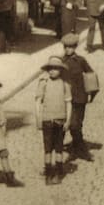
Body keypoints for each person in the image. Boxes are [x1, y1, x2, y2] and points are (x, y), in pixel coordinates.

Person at [34, 56, 72, 184]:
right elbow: (38, 101)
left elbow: (68, 103)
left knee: (59, 147)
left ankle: (59, 172)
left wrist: (68, 120)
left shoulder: (65, 84)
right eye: (50, 68)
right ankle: (49, 173)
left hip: (60, 119)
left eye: (56, 69)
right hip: (47, 119)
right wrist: (38, 118)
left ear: (61, 70)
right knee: (48, 147)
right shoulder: (43, 83)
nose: (52, 71)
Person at [61, 33, 95, 161]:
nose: (68, 49)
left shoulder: (81, 61)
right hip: (64, 99)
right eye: (66, 47)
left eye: (70, 47)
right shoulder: (60, 61)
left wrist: (92, 92)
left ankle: (81, 150)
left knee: (76, 125)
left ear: (75, 47)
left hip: (79, 97)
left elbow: (91, 75)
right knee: (63, 125)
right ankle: (59, 152)